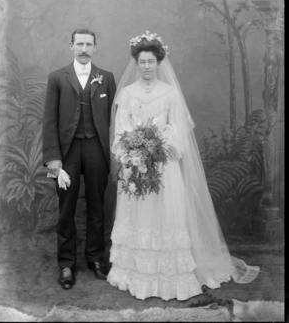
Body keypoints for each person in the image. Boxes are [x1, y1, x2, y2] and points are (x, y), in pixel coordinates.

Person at [107, 31, 259, 301]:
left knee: (165, 216)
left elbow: (179, 133)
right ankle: (136, 275)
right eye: (141, 62)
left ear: (159, 62)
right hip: (136, 167)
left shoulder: (170, 94)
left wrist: (157, 144)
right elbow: (121, 130)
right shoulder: (127, 94)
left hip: (164, 167)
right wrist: (134, 150)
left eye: (150, 61)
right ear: (136, 63)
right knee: (139, 215)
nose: (145, 67)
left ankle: (169, 279)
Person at [42, 28, 116, 290]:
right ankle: (66, 263)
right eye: (79, 44)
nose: (84, 49)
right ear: (71, 46)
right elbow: (49, 120)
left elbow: (112, 119)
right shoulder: (57, 78)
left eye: (89, 44)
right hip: (67, 150)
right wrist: (53, 157)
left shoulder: (106, 78)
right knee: (67, 208)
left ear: (95, 47)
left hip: (97, 147)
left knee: (98, 206)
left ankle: (96, 258)